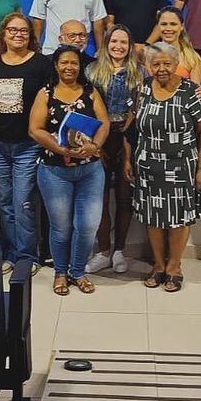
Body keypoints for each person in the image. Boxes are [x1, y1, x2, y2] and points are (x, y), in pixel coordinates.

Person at [125, 42, 201, 292]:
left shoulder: (190, 91)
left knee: (178, 218)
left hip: (182, 166)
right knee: (152, 217)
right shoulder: (141, 89)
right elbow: (131, 129)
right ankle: (159, 265)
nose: (161, 68)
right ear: (148, 66)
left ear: (176, 64)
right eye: (156, 64)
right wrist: (127, 159)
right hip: (147, 165)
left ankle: (174, 266)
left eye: (167, 63)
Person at [30, 45, 110, 295]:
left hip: (90, 170)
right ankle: (61, 273)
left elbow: (104, 123)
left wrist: (95, 145)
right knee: (61, 227)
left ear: (80, 66)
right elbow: (35, 130)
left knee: (88, 225)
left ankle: (78, 272)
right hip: (54, 171)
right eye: (64, 62)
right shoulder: (45, 93)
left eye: (74, 63)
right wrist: (61, 149)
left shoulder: (90, 92)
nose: (69, 67)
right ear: (56, 65)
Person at [0, 12, 52, 269]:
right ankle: (8, 254)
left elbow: (49, 103)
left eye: (23, 30)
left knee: (23, 202)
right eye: (13, 30)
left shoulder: (42, 64)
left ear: (30, 35)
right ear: (3, 34)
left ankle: (27, 256)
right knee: (5, 201)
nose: (18, 34)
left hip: (28, 145)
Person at [85, 24, 144, 274]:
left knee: (124, 196)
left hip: (127, 137)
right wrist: (95, 141)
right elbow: (86, 107)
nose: (118, 46)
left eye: (123, 42)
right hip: (99, 137)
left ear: (130, 47)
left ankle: (120, 250)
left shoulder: (138, 72)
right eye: (114, 41)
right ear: (106, 43)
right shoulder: (91, 71)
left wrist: (127, 130)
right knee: (99, 198)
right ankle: (103, 251)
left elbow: (139, 107)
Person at [150, 7, 201, 82]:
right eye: (164, 24)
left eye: (173, 24)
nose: (168, 28)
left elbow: (195, 88)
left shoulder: (192, 60)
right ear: (158, 26)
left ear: (181, 26)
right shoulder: (147, 55)